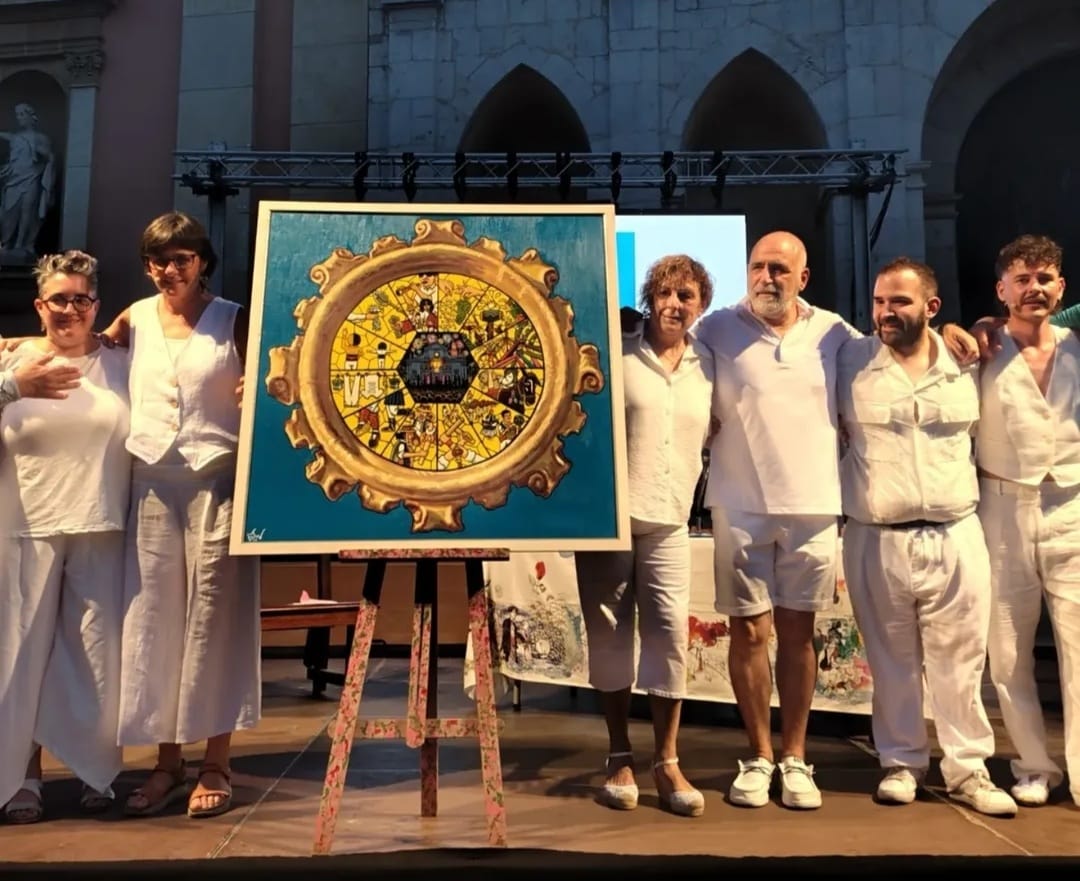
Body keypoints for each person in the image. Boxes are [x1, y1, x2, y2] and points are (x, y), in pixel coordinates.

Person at [837, 257, 1017, 815]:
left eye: (900, 302)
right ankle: (901, 762)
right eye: (879, 302)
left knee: (961, 662)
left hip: (955, 533)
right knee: (890, 662)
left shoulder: (970, 361)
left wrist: (977, 327)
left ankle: (968, 769)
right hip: (876, 537)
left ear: (932, 308)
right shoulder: (848, 359)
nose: (885, 312)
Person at [99, 211, 260, 819]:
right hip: (150, 485)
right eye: (160, 261)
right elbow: (84, 351)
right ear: (148, 266)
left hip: (216, 483)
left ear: (202, 262)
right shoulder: (135, 317)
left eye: (181, 259)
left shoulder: (232, 318)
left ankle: (216, 762)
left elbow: (275, 378)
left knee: (214, 620)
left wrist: (253, 387)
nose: (170, 270)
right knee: (153, 622)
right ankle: (166, 763)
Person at [575, 255, 714, 817]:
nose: (673, 304)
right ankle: (618, 754)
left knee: (670, 638)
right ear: (649, 298)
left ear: (701, 305)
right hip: (610, 520)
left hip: (671, 519)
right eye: (664, 293)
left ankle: (667, 760)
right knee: (610, 636)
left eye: (685, 295)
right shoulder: (618, 349)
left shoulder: (710, 362)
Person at [0, 250, 130, 823]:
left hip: (100, 525)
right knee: (18, 657)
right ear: (39, 305)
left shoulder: (121, 363)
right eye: (59, 299)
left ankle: (93, 771)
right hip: (22, 528)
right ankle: (19, 777)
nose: (70, 309)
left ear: (96, 305)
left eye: (81, 299)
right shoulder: (14, 359)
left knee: (95, 655)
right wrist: (13, 384)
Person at [975, 234, 1080, 809]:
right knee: (1009, 649)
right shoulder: (981, 350)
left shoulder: (1077, 344)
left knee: (1078, 646)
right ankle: (1034, 765)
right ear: (1002, 289)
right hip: (1003, 505)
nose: (1033, 288)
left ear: (1060, 287)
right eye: (1022, 279)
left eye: (1044, 279)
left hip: (1073, 503)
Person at [0, 102, 55, 258]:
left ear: (32, 116)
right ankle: (6, 243)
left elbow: (49, 156)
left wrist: (40, 150)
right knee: (9, 211)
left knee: (28, 211)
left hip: (31, 177)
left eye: (22, 114)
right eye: (17, 115)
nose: (19, 118)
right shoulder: (15, 137)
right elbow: (5, 136)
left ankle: (22, 244)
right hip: (14, 179)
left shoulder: (41, 138)